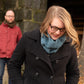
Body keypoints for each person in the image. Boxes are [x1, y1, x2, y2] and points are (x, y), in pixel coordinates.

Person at [8, 5, 80, 84]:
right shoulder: (28, 38)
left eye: (62, 29)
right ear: (47, 23)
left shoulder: (69, 45)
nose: (58, 32)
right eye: (54, 27)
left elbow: (73, 73)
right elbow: (13, 65)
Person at [0, 9, 22, 84]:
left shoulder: (17, 30)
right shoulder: (0, 28)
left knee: (12, 77)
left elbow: (20, 43)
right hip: (0, 55)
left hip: (12, 56)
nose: (10, 18)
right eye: (9, 16)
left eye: (12, 16)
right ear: (5, 17)